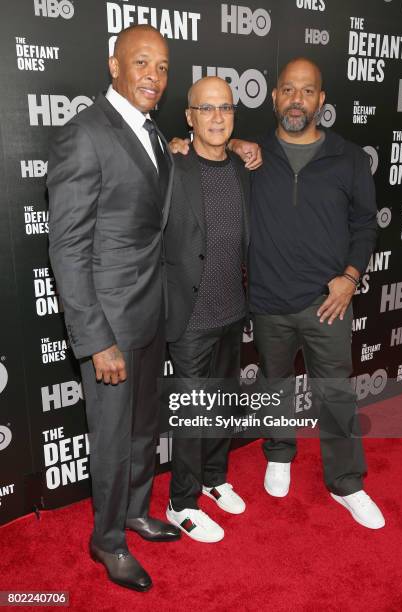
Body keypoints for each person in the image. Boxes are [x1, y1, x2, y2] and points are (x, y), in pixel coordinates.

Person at [47, 25, 180, 592]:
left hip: (151, 315)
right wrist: (96, 338)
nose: (154, 76)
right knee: (110, 440)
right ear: (114, 66)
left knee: (143, 429)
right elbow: (68, 247)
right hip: (110, 326)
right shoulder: (85, 134)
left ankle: (134, 512)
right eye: (142, 63)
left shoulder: (153, 134)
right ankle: (106, 541)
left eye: (164, 67)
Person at [231, 57, 385, 529]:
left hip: (328, 302)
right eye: (288, 90)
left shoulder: (350, 158)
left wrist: (351, 276)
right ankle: (280, 452)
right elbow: (198, 149)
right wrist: (230, 143)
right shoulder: (252, 156)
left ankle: (347, 483)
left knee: (335, 393)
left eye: (307, 91)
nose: (297, 99)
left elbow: (365, 224)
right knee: (276, 384)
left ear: (321, 101)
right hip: (270, 300)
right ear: (274, 97)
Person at [164, 77, 250, 542]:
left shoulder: (240, 167)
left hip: (233, 312)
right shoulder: (173, 166)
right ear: (190, 116)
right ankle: (181, 501)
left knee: (224, 407)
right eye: (207, 108)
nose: (217, 117)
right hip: (191, 318)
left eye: (226, 108)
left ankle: (215, 478)